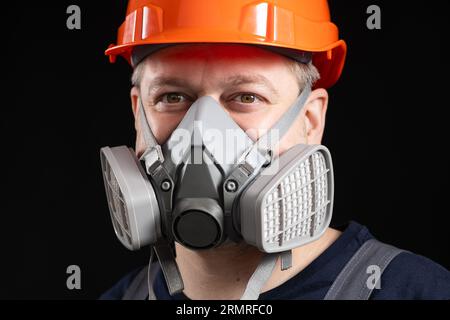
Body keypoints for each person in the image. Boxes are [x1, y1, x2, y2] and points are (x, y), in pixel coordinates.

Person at [99, 0, 450, 300]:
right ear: (137, 115)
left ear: (311, 121)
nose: (200, 133)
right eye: (171, 97)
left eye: (246, 97)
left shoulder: (414, 290)